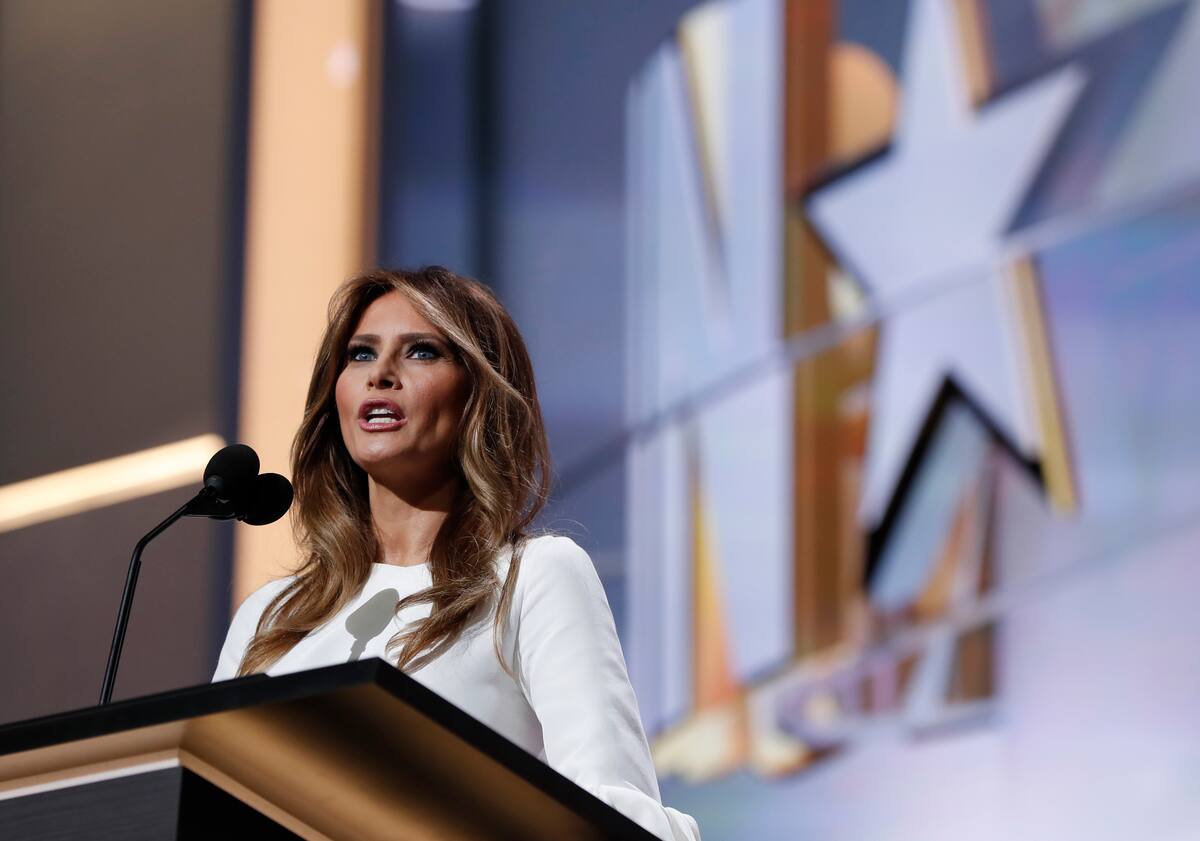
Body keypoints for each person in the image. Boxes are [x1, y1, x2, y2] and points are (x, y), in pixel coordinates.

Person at [213, 267, 700, 840]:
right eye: (360, 355)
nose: (381, 376)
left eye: (421, 352)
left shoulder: (531, 579)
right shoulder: (271, 615)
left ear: (478, 396)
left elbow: (610, 810)